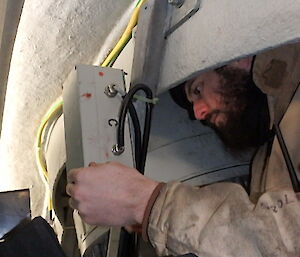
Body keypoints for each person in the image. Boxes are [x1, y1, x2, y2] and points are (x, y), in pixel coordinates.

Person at [66, 42, 300, 256]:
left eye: (198, 90)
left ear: (238, 59)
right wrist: (158, 228)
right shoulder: (264, 159)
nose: (198, 114)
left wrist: (148, 203)